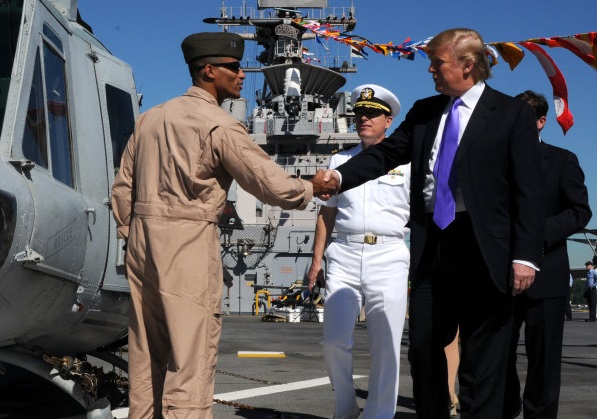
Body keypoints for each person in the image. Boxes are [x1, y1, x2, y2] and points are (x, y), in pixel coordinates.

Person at [313, 28, 545, 418]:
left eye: (437, 63)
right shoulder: (424, 111)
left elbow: (528, 191)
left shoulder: (511, 114)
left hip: (484, 247)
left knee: (482, 351)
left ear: (467, 66)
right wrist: (339, 177)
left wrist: (525, 256)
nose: (431, 71)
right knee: (423, 347)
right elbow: (384, 155)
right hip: (432, 245)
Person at [111, 32, 330, 418]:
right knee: (191, 350)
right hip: (188, 240)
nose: (242, 74)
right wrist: (308, 186)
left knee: (147, 351)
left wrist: (134, 234)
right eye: (233, 67)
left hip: (142, 244)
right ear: (208, 71)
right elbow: (267, 183)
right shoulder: (219, 124)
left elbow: (122, 187)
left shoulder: (149, 119)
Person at [307, 84, 410, 419]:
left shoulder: (409, 164)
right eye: (360, 113)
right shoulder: (339, 161)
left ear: (389, 120)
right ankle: (345, 407)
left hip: (389, 254)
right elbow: (328, 213)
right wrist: (315, 260)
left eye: (373, 114)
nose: (364, 119)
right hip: (345, 254)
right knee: (333, 340)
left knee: (386, 344)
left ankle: (379, 415)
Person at [503, 90, 592, 419]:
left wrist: (533, 237)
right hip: (499, 274)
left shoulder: (562, 161)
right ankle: (505, 408)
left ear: (541, 122)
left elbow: (580, 211)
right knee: (497, 356)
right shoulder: (493, 163)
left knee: (543, 360)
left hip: (546, 273)